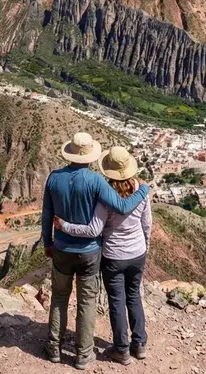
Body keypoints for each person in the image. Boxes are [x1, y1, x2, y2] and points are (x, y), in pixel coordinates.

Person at [42, 133, 151, 370]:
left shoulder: (54, 178)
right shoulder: (96, 182)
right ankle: (83, 354)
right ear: (90, 156)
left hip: (61, 248)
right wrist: (144, 190)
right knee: (87, 301)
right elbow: (124, 207)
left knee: (59, 297)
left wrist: (47, 243)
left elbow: (47, 214)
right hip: (90, 253)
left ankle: (54, 348)